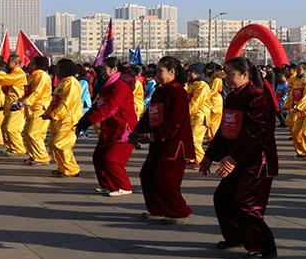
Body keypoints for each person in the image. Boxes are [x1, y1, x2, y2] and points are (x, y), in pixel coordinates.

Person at [201, 56, 279, 259]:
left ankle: (263, 246)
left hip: (257, 161)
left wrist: (233, 158)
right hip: (238, 159)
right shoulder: (234, 96)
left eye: (231, 74)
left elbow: (256, 133)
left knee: (246, 204)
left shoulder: (257, 97)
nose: (227, 78)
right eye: (226, 74)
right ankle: (235, 236)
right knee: (223, 198)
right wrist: (209, 156)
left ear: (245, 75)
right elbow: (225, 130)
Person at [134, 56, 195, 224]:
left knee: (165, 179)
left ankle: (179, 212)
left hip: (174, 143)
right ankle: (157, 209)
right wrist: (138, 131)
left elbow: (174, 120)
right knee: (147, 174)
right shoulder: (161, 89)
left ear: (172, 72)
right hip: (158, 142)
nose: (157, 74)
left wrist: (153, 134)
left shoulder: (177, 91)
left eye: (160, 71)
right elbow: (150, 113)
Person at [76, 57, 137, 197]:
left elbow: (110, 107)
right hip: (110, 127)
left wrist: (90, 121)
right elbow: (98, 105)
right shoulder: (108, 85)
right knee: (98, 156)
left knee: (112, 159)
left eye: (104, 69)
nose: (101, 72)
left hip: (123, 128)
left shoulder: (121, 86)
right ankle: (107, 185)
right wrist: (83, 120)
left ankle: (124, 186)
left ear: (114, 70)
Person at [43, 59, 83, 177]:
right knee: (52, 144)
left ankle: (72, 169)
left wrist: (53, 114)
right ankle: (62, 167)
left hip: (69, 119)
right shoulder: (62, 82)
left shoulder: (71, 83)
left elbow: (66, 103)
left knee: (60, 144)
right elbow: (55, 101)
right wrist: (48, 112)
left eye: (59, 68)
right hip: (58, 120)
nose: (57, 70)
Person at [0, 54, 28, 156]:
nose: (7, 64)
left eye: (9, 62)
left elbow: (3, 80)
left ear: (16, 63)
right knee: (4, 127)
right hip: (9, 105)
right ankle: (10, 147)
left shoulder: (18, 74)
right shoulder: (12, 73)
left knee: (11, 128)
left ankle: (18, 149)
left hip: (17, 105)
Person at [16, 56, 53, 166]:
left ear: (38, 65)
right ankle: (34, 155)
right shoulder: (34, 76)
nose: (29, 65)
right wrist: (20, 101)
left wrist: (24, 103)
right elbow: (28, 93)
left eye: (32, 63)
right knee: (27, 132)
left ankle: (42, 157)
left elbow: (37, 93)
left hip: (40, 108)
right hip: (32, 108)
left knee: (34, 133)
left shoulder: (42, 76)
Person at [283, 62, 306, 161]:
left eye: (300, 69)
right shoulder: (296, 81)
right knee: (295, 132)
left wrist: (297, 107)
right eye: (297, 68)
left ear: (305, 70)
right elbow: (291, 95)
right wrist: (287, 106)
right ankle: (302, 152)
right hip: (300, 111)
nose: (298, 70)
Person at [186, 63, 212, 166]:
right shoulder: (193, 84)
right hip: (194, 115)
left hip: (200, 116)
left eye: (190, 72)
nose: (189, 74)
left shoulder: (202, 85)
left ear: (196, 73)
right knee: (191, 138)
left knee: (195, 139)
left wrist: (186, 113)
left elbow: (196, 102)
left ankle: (201, 160)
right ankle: (193, 158)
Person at [206, 66, 226, 142]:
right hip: (212, 100)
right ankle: (210, 138)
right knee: (211, 121)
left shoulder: (217, 79)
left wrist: (205, 94)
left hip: (215, 101)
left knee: (214, 122)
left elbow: (214, 90)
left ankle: (213, 139)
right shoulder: (213, 78)